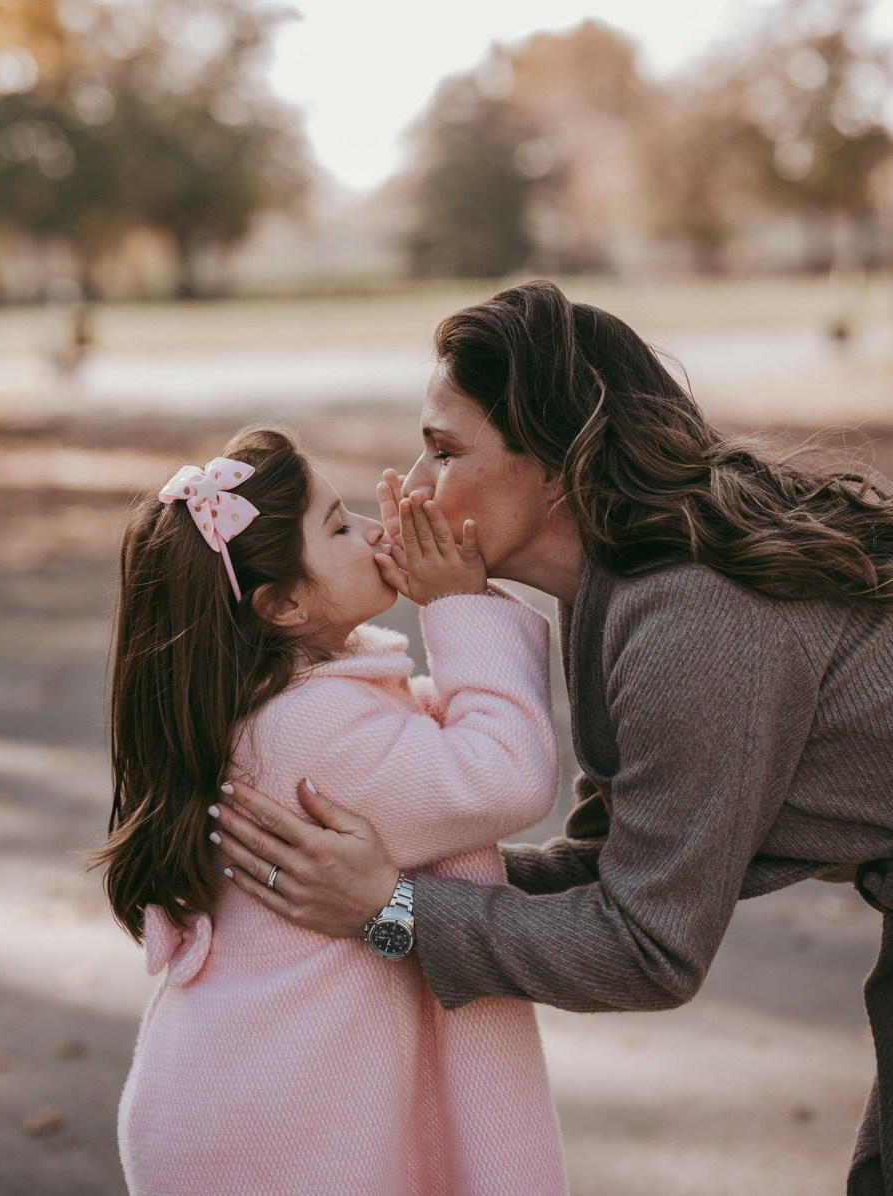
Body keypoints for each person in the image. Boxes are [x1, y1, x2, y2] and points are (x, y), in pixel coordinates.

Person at [209, 282, 893, 1196]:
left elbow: (648, 945)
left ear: (561, 465)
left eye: (444, 452)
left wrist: (391, 909)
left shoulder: (693, 614)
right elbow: (612, 862)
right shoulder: (616, 586)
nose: (410, 491)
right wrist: (378, 880)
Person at [90, 426, 569, 1196]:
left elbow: (421, 751)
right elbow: (503, 772)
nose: (374, 531)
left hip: (252, 1096)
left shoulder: (274, 713)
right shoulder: (306, 734)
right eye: (339, 527)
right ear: (282, 605)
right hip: (288, 1127)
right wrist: (459, 605)